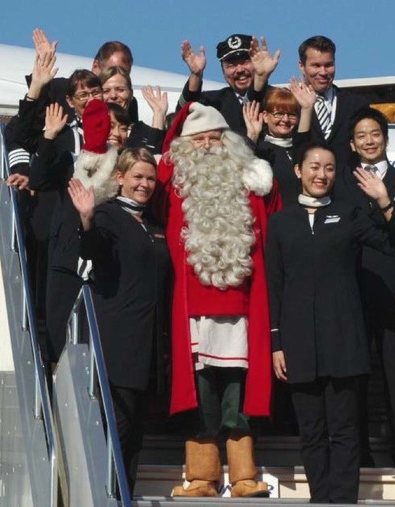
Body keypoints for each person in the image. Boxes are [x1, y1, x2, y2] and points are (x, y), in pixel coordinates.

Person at [265, 143, 395, 503]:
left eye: (329, 169)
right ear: (298, 171)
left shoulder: (349, 215)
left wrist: (383, 201)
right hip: (299, 342)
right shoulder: (281, 222)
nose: (322, 175)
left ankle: (343, 500)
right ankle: (321, 498)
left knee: (345, 430)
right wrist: (276, 343)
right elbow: (275, 285)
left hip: (345, 339)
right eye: (314, 167)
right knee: (312, 431)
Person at [154, 102, 280, 498]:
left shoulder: (249, 182)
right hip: (194, 309)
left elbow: (273, 214)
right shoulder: (175, 184)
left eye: (215, 138)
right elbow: (156, 172)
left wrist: (259, 150)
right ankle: (202, 477)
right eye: (200, 140)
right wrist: (173, 118)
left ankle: (244, 476)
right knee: (201, 392)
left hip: (243, 307)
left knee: (238, 394)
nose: (208, 146)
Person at [68, 147, 171, 497]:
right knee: (117, 431)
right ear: (120, 178)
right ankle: (107, 497)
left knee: (135, 437)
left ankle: (123, 496)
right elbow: (93, 250)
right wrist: (86, 220)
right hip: (119, 344)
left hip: (150, 346)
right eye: (137, 177)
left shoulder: (153, 222)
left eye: (150, 178)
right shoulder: (109, 216)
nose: (144, 184)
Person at [336, 107, 395, 469]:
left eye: (374, 134)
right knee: (354, 370)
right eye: (361, 136)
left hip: (393, 289)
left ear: (385, 138)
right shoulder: (343, 181)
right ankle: (359, 449)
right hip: (349, 286)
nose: (369, 141)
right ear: (352, 143)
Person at [28, 98, 122, 366]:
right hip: (69, 264)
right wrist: (49, 137)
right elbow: (38, 179)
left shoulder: (129, 170)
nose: (114, 131)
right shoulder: (74, 164)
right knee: (61, 343)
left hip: (107, 271)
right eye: (109, 125)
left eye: (120, 126)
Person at [177, 34, 280, 136]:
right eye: (231, 65)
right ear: (223, 71)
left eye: (245, 62)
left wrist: (260, 78)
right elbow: (181, 117)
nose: (240, 70)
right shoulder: (213, 101)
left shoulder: (279, 98)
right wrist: (196, 75)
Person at [298, 35, 369, 167]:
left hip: (349, 184)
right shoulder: (289, 105)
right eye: (316, 65)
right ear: (302, 66)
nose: (323, 72)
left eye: (328, 65)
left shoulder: (356, 104)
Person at [243, 80, 316, 205]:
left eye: (292, 115)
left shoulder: (302, 149)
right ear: (265, 116)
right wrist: (252, 136)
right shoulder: (259, 149)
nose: (285, 120)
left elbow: (303, 138)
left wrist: (307, 108)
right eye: (279, 114)